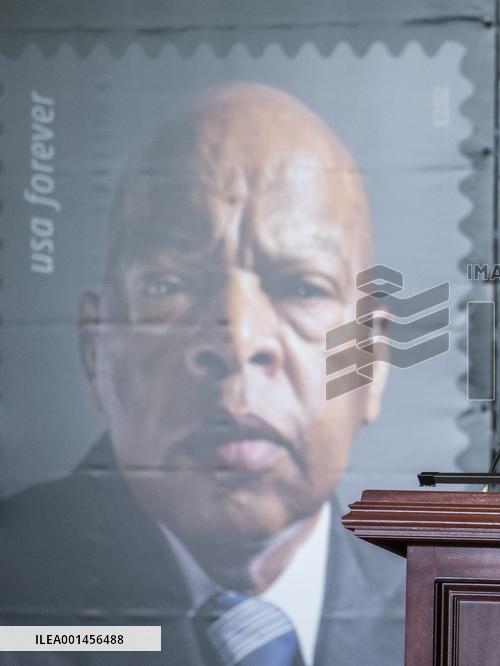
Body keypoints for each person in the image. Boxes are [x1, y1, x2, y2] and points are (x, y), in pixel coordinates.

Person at [0, 83, 401, 665]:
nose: (238, 342)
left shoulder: (455, 624)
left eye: (302, 287)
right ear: (96, 352)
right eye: (168, 285)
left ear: (370, 360)